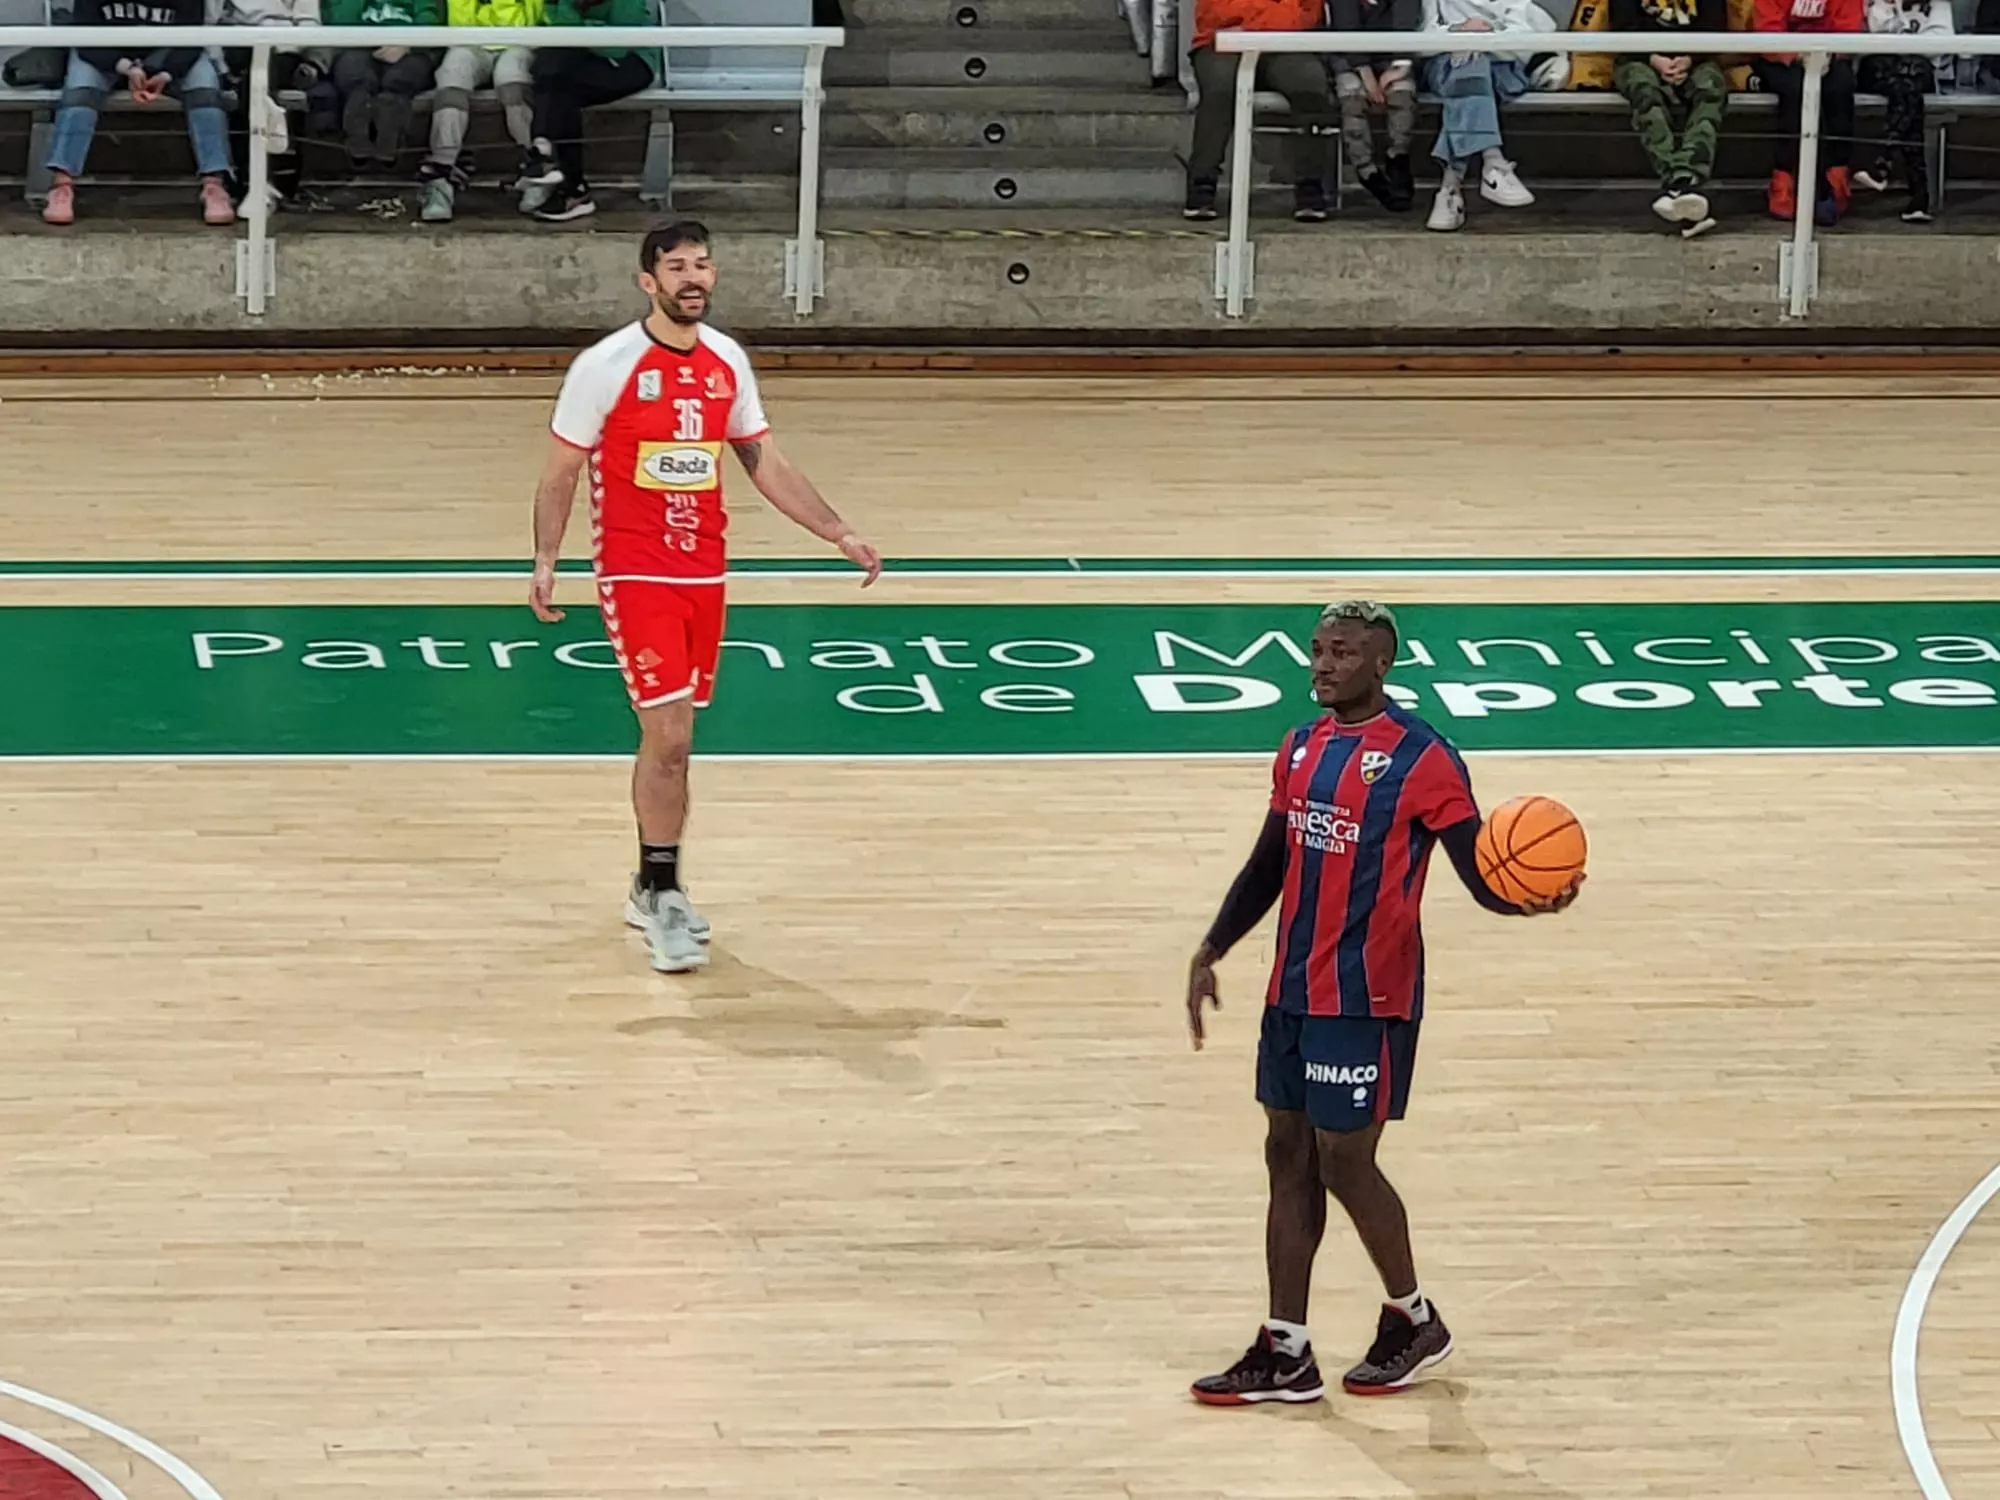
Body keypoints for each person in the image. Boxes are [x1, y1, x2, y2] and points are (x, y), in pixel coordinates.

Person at [1185, 600, 1582, 1405]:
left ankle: (1413, 1318)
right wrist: (1213, 944)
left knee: (1345, 1160)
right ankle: (1285, 1349)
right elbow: (1270, 862)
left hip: (1367, 994)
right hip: (1292, 987)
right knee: (1285, 1153)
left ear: (1381, 665)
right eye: (1319, 650)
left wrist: (1529, 901)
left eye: (1343, 653)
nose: (1323, 665)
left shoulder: (1425, 759)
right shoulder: (1299, 749)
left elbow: (1481, 872)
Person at [529, 221, 883, 973]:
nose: (692, 277)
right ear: (647, 282)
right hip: (635, 569)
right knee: (671, 737)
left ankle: (648, 882)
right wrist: (546, 557)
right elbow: (561, 468)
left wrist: (837, 530)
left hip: (705, 572)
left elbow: (764, 460)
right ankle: (662, 891)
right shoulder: (608, 366)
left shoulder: (727, 362)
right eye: (676, 267)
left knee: (679, 739)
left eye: (702, 265)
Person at [43, 0, 236, 226]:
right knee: (79, 90)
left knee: (205, 87)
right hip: (107, 53)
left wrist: (165, 74)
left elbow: (191, 39)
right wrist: (126, 67)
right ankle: (62, 185)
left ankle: (214, 184)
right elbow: (85, 38)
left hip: (167, 54)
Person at [1182, 0, 1336, 223]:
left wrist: (1251, 19)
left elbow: (1307, 15)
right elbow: (1213, 14)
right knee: (1220, 90)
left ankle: (1310, 184)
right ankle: (1202, 181)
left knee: (1310, 87)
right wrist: (1272, 16)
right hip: (1224, 43)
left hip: (1284, 43)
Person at [516, 0, 656, 222]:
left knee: (558, 82)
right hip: (582, 56)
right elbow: (552, 27)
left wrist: (577, 25)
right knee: (553, 73)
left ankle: (551, 162)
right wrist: (588, 27)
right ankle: (559, 172)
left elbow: (617, 46)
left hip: (631, 62)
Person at [1420, 0, 1542, 232]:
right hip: (1447, 62)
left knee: (1472, 75)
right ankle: (1493, 164)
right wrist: (1459, 33)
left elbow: (1524, 39)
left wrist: (1481, 40)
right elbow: (1422, 38)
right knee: (1471, 73)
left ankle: (1450, 188)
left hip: (1501, 65)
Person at [419, 0, 545, 223]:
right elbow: (460, 22)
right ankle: (441, 175)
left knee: (512, 79)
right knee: (451, 76)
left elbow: (526, 21)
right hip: (468, 43)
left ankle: (535, 169)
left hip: (519, 41)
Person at [1610, 0, 1728, 237]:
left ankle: (1683, 182)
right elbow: (1623, 25)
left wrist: (1689, 58)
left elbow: (1714, 25)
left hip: (1696, 59)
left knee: (1711, 89)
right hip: (1638, 58)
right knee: (1644, 91)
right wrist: (1654, 58)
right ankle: (1680, 182)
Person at [1752, 0, 1860, 224]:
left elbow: (1849, 30)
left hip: (1830, 58)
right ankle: (1803, 187)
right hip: (1781, 59)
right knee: (1796, 91)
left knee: (1840, 88)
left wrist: (1826, 56)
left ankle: (1835, 178)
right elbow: (1767, 29)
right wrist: (1798, 56)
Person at [214, 0, 326, 212]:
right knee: (249, 82)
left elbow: (309, 21)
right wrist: (220, 66)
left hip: (284, 46)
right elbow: (213, 19)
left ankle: (259, 183)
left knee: (258, 82)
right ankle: (259, 180)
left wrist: (284, 43)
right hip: (237, 44)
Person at [1854, 0, 1951, 222]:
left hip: (1917, 67)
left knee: (1908, 86)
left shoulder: (1938, 5)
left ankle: (1882, 164)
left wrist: (1895, 37)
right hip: (1877, 67)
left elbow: (1942, 42)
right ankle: (1918, 196)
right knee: (1909, 93)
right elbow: (1864, 37)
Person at [321, 0, 442, 170]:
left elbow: (430, 17)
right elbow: (339, 19)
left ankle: (389, 144)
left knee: (397, 81)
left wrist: (406, 44)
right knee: (357, 78)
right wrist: (370, 41)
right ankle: (358, 143)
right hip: (358, 45)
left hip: (411, 48)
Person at [1329, 0, 1420, 212]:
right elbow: (1345, 26)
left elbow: (1407, 22)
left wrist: (1401, 65)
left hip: (1393, 56)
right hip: (1347, 57)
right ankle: (1366, 170)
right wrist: (1365, 73)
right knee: (1352, 97)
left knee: (1402, 94)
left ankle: (1398, 157)